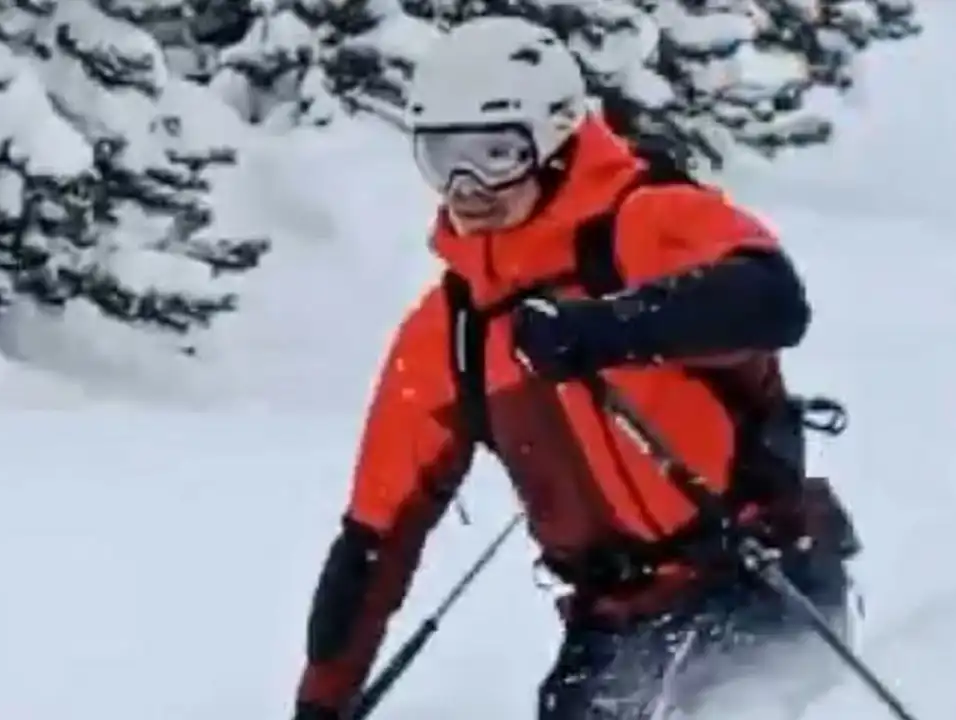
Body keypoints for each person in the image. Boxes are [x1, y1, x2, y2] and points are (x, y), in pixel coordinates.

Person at [292, 15, 861, 720]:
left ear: (558, 137)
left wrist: (608, 329)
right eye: (442, 158)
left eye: (494, 153)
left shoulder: (648, 224)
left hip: (759, 573)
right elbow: (374, 542)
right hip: (617, 620)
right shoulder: (453, 333)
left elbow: (771, 301)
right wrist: (322, 704)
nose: (467, 186)